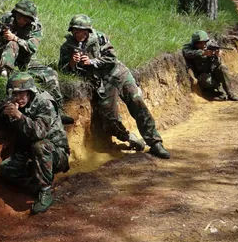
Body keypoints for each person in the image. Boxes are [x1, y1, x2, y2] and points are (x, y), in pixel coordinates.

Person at [58, 15, 170, 159]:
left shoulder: (100, 38)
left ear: (88, 31)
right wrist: (73, 63)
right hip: (102, 85)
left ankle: (155, 143)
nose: (79, 34)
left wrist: (92, 62)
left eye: (82, 31)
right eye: (76, 31)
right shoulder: (67, 47)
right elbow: (63, 71)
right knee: (110, 119)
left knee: (137, 101)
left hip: (118, 74)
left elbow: (112, 58)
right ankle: (130, 138)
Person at [0, 72, 70, 214]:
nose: (18, 97)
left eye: (22, 93)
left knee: (40, 146)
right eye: (15, 93)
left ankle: (45, 191)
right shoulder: (16, 101)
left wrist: (19, 116)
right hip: (30, 152)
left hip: (55, 153)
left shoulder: (45, 102)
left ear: (30, 91)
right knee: (5, 170)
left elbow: (39, 133)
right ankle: (34, 184)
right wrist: (4, 111)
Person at [0, 0, 73, 124]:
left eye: (26, 18)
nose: (22, 20)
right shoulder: (5, 19)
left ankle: (57, 110)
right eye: (20, 16)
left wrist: (15, 38)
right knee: (12, 45)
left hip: (26, 59)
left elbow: (32, 47)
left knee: (51, 75)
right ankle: (4, 77)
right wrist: (3, 37)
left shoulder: (35, 27)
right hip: (3, 55)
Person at [182, 30, 238, 101]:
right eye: (200, 43)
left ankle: (230, 93)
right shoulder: (189, 47)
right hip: (203, 74)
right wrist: (203, 53)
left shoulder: (210, 44)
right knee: (205, 79)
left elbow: (218, 59)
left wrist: (217, 54)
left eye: (204, 42)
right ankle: (221, 92)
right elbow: (187, 52)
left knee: (223, 68)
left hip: (214, 71)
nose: (203, 45)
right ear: (195, 43)